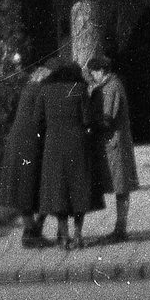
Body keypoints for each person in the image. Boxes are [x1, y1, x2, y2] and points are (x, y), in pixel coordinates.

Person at [38, 60, 99, 248]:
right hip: (77, 143)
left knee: (58, 189)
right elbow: (87, 118)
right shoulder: (79, 89)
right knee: (78, 188)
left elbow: (38, 119)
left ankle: (64, 236)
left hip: (54, 145)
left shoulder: (45, 91)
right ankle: (78, 234)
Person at [0, 61, 52, 247]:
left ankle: (31, 230)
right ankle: (31, 232)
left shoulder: (28, 89)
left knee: (24, 190)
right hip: (29, 145)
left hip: (19, 143)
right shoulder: (40, 92)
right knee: (34, 189)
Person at [88, 55, 139, 242]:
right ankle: (120, 227)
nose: (92, 76)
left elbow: (107, 117)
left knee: (121, 186)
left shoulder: (112, 87)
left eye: (93, 72)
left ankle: (120, 228)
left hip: (115, 144)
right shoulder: (109, 85)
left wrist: (89, 126)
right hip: (113, 143)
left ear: (101, 71)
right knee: (120, 186)